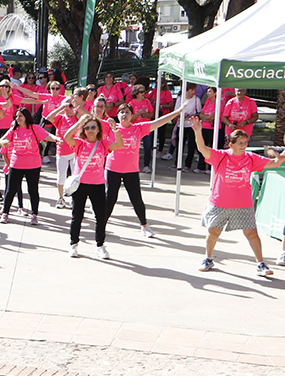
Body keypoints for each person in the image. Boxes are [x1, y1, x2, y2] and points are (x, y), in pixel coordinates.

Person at [187, 116, 285, 276]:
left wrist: (282, 154)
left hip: (243, 204)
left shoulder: (251, 158)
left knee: (252, 234)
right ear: (230, 144)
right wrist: (198, 131)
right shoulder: (221, 156)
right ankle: (208, 258)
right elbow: (202, 148)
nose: (244, 146)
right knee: (213, 232)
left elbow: (274, 163)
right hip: (220, 202)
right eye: (240, 143)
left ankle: (261, 264)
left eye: (246, 143)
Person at [106, 103, 184, 238]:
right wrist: (77, 106)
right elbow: (90, 117)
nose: (124, 115)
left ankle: (144, 225)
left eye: (127, 112)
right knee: (110, 198)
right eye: (121, 112)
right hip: (113, 169)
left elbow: (158, 122)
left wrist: (177, 112)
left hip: (131, 170)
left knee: (136, 199)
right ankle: (102, 224)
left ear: (132, 116)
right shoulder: (110, 127)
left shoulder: (138, 128)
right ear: (117, 115)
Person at [63, 114, 124, 259]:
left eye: (93, 127)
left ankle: (100, 246)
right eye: (87, 127)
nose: (90, 130)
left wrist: (115, 129)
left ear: (98, 130)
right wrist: (79, 122)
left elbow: (119, 145)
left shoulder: (103, 143)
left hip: (98, 185)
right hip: (81, 185)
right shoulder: (79, 143)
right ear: (84, 130)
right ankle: (73, 244)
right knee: (77, 216)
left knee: (101, 217)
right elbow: (66, 137)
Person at [0, 107, 53, 224]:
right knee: (10, 190)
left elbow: (46, 136)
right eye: (17, 116)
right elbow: (1, 140)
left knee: (33, 190)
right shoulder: (14, 129)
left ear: (26, 117)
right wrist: (4, 142)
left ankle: (34, 215)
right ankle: (5, 213)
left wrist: (56, 139)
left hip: (33, 165)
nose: (18, 119)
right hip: (16, 163)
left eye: (20, 116)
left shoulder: (34, 128)